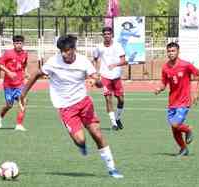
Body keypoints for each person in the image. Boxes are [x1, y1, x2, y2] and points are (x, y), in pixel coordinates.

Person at [19, 35, 123, 178]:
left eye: (67, 50)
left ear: (74, 49)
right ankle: (82, 146)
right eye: (61, 50)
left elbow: (97, 81)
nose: (63, 54)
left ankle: (112, 169)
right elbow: (36, 74)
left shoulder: (83, 61)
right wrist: (22, 94)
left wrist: (97, 81)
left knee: (97, 134)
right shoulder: (53, 62)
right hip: (65, 107)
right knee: (80, 140)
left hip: (84, 102)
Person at [154, 42, 199, 157]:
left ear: (178, 51)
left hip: (184, 101)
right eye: (169, 51)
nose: (171, 53)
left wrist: (197, 91)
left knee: (176, 125)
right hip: (172, 102)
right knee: (174, 129)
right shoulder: (165, 68)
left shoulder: (186, 65)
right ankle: (183, 149)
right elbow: (164, 83)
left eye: (173, 51)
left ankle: (188, 129)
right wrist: (159, 89)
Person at [93, 27, 127, 131]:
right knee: (108, 99)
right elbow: (95, 59)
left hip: (116, 76)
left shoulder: (118, 46)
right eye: (105, 34)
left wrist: (115, 64)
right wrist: (96, 72)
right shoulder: (99, 47)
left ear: (112, 35)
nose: (107, 35)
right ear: (103, 36)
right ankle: (113, 123)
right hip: (105, 76)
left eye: (109, 34)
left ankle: (117, 118)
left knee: (121, 100)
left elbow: (124, 61)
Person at [0, 35, 29, 131]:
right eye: (16, 43)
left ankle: (19, 124)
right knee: (9, 105)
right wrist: (8, 72)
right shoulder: (8, 53)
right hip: (8, 85)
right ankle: (0, 117)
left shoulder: (25, 54)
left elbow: (24, 64)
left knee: (23, 101)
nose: (18, 45)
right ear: (13, 44)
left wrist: (26, 73)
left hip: (20, 84)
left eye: (20, 43)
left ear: (23, 44)